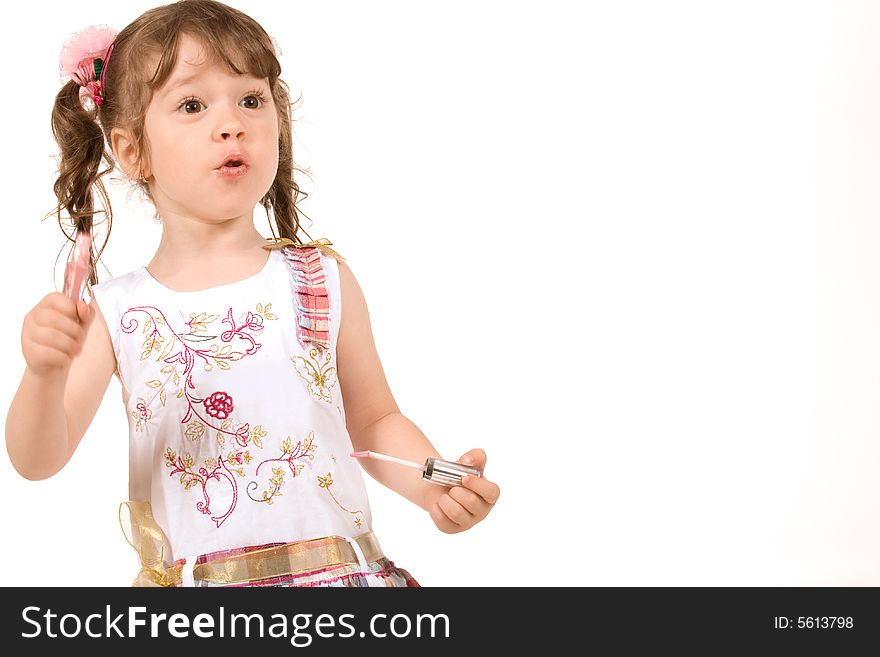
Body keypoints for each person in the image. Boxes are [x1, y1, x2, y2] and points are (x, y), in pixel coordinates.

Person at [5, 0, 499, 587]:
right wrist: (42, 373)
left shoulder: (319, 279)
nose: (232, 123)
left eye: (251, 100)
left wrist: (437, 483)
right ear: (132, 151)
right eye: (192, 105)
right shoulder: (116, 312)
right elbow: (38, 460)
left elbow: (374, 421)